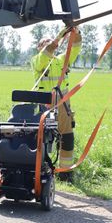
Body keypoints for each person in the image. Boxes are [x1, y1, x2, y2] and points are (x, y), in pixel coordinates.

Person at [30, 27, 82, 181]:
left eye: (48, 41)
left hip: (63, 101)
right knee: (42, 136)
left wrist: (76, 33)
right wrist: (59, 37)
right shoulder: (37, 60)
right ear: (39, 48)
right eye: (44, 43)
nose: (48, 44)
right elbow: (47, 52)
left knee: (66, 134)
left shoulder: (61, 60)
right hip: (44, 102)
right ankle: (42, 168)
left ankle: (65, 172)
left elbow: (76, 48)